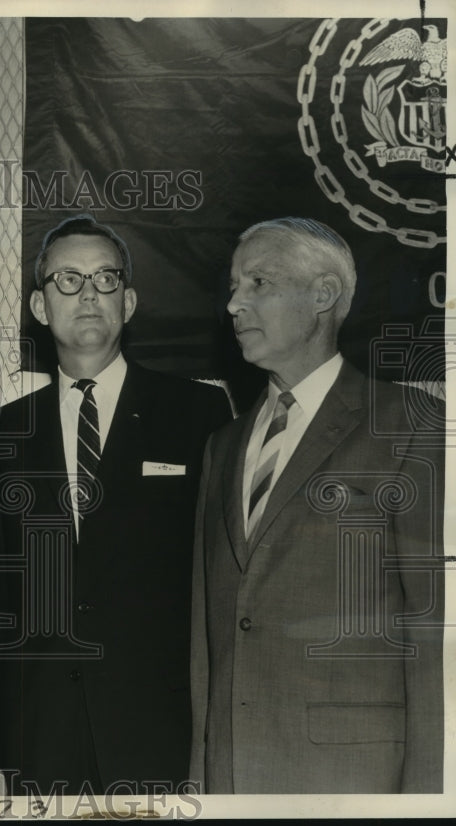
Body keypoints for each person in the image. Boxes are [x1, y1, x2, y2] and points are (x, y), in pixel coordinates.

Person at [0, 215, 231, 796]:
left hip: (160, 733)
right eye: (68, 279)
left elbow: (219, 588)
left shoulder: (198, 416)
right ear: (39, 305)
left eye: (106, 279)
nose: (88, 294)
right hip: (39, 737)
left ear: (128, 302)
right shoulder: (0, 435)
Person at [189, 217, 444, 793]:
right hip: (232, 775)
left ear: (323, 295)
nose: (234, 303)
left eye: (259, 283)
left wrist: (430, 796)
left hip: (353, 779)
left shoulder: (410, 426)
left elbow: (433, 634)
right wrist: (202, 780)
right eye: (234, 285)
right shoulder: (223, 446)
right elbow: (207, 637)